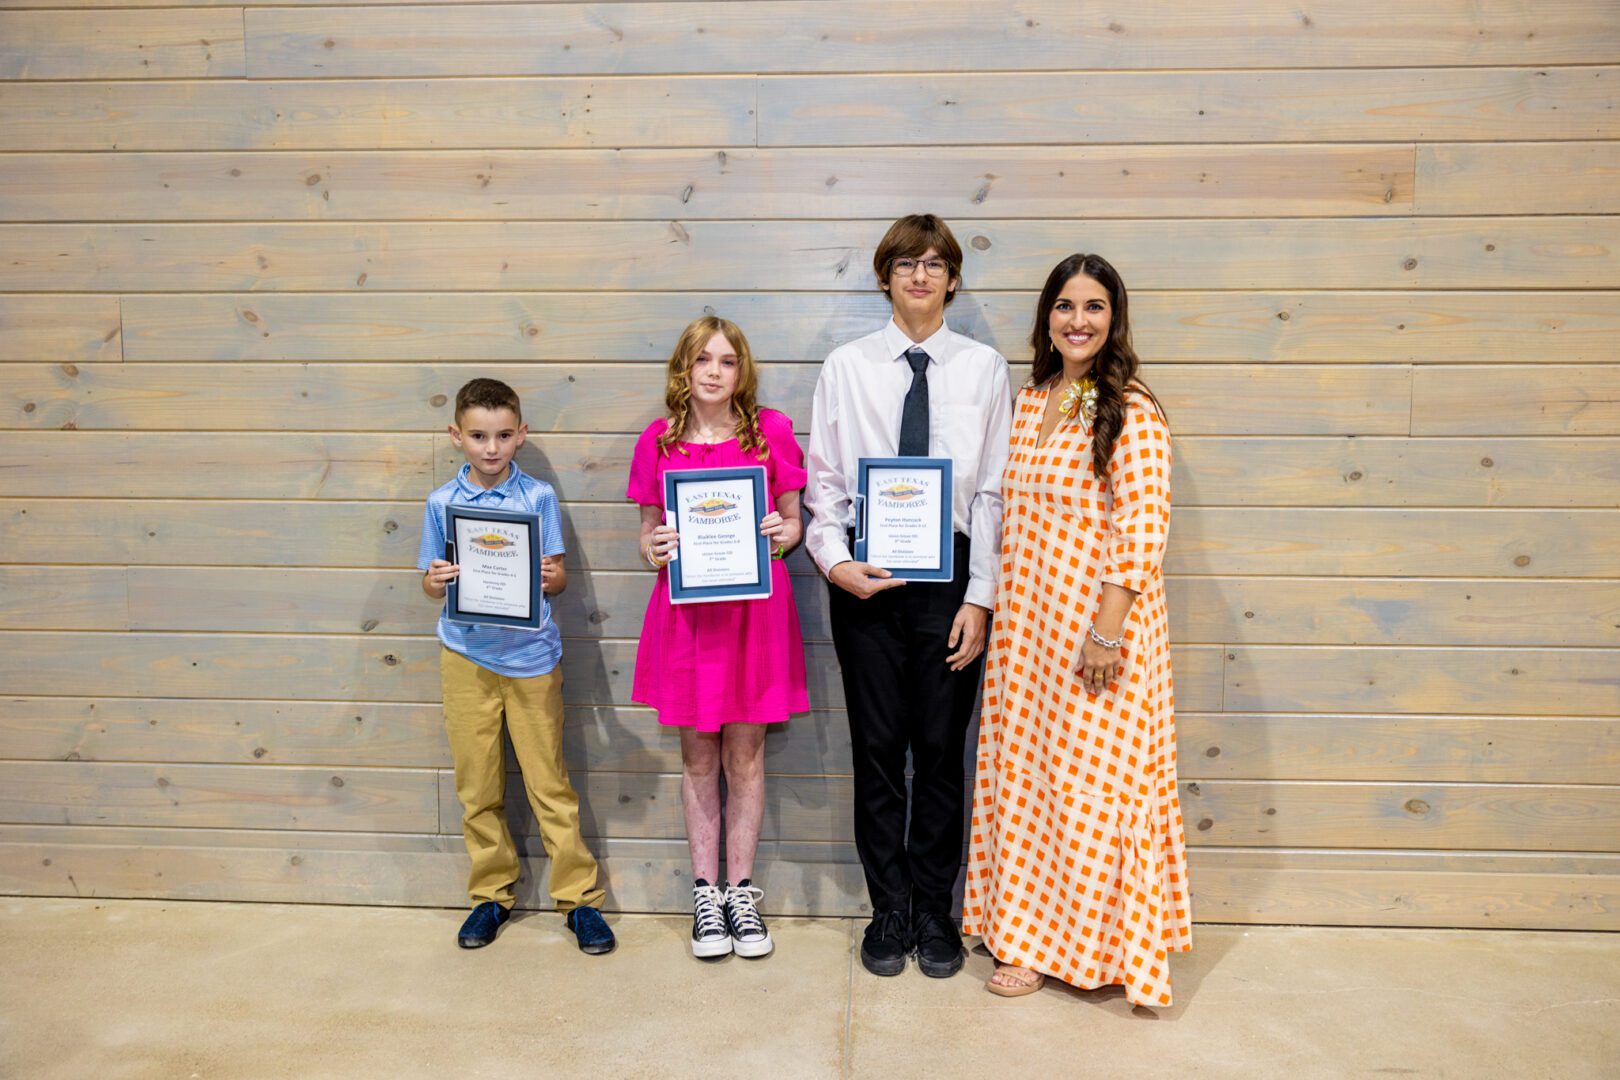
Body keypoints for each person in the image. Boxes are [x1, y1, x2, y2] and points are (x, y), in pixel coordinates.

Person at [962, 254, 1191, 1005]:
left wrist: (1107, 631)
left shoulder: (1131, 407)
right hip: (1028, 634)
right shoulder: (1033, 399)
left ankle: (1094, 947)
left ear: (1114, 318)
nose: (1078, 320)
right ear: (1047, 317)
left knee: (1092, 794)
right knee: (1030, 786)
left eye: (1094, 307)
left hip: (1097, 632)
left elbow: (1142, 527)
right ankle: (1025, 937)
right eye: (1065, 306)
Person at [805, 214, 1012, 978]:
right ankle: (887, 908)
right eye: (904, 263)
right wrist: (832, 563)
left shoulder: (984, 368)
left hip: (950, 583)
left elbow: (991, 493)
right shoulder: (847, 365)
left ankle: (935, 909)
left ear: (954, 278)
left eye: (934, 263)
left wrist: (980, 597)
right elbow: (823, 482)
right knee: (877, 754)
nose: (920, 275)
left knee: (940, 751)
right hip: (866, 578)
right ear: (884, 276)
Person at [629, 316, 809, 959]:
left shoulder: (773, 432)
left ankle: (740, 893)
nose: (714, 370)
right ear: (682, 367)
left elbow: (794, 527)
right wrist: (657, 547)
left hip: (753, 619)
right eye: (702, 359)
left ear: (743, 371)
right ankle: (705, 896)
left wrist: (778, 536)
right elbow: (648, 538)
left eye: (727, 361)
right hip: (689, 619)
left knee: (747, 757)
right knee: (699, 759)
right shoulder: (659, 439)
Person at [418, 378, 616, 954]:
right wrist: (435, 582)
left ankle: (579, 900)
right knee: (477, 785)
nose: (490, 447)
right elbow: (432, 582)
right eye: (478, 436)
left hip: (531, 659)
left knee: (549, 783)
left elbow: (555, 575)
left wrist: (550, 577)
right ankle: (490, 896)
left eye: (503, 435)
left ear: (521, 435)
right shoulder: (441, 505)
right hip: (465, 657)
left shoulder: (539, 499)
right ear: (457, 436)